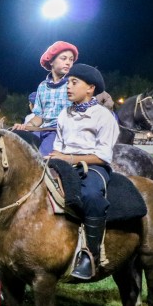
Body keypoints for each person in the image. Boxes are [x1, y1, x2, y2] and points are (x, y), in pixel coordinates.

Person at [49, 63, 119, 280]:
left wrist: (67, 158)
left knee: (90, 196)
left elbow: (102, 156)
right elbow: (58, 147)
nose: (68, 86)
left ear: (90, 88)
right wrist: (55, 158)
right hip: (63, 163)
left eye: (74, 82)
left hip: (95, 167)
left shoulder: (103, 116)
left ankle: (91, 255)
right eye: (68, 82)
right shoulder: (64, 114)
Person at [14, 40, 79, 155]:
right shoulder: (42, 86)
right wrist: (25, 126)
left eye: (71, 59)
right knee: (17, 145)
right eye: (63, 58)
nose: (68, 62)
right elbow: (39, 117)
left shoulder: (73, 84)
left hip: (59, 132)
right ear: (52, 61)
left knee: (39, 157)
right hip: (41, 130)